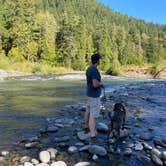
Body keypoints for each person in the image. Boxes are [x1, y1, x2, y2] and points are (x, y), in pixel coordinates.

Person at [84, 53, 104, 141]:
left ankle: (86, 126)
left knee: (88, 110)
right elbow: (95, 84)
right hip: (94, 95)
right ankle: (92, 134)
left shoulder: (88, 69)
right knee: (93, 114)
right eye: (100, 60)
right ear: (98, 61)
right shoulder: (94, 70)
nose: (100, 61)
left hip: (89, 93)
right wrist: (101, 84)